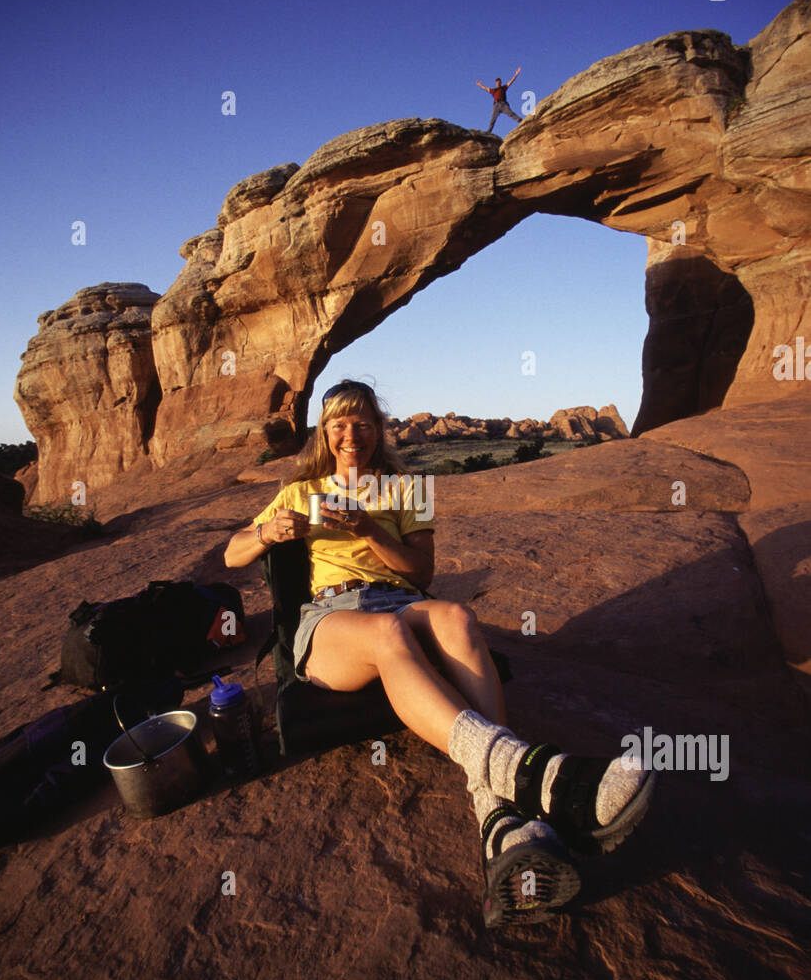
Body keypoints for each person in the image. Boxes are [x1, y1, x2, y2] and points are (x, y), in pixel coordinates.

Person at [224, 381, 656, 928]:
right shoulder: (300, 490)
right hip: (333, 620)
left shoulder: (409, 488)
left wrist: (368, 527)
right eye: (338, 423)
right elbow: (233, 552)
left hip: (401, 599)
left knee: (456, 617)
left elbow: (421, 573)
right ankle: (545, 778)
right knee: (387, 635)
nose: (350, 434)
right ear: (324, 432)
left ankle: (500, 819)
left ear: (378, 429)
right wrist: (266, 530)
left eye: (361, 423)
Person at [477, 68, 524, 133]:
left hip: (503, 104)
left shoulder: (503, 88)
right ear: (496, 83)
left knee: (510, 113)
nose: (498, 83)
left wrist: (516, 74)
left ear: (500, 82)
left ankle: (521, 121)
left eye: (499, 81)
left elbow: (511, 81)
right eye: (497, 82)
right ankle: (489, 131)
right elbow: (485, 88)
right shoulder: (493, 90)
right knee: (493, 119)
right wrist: (480, 85)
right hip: (496, 105)